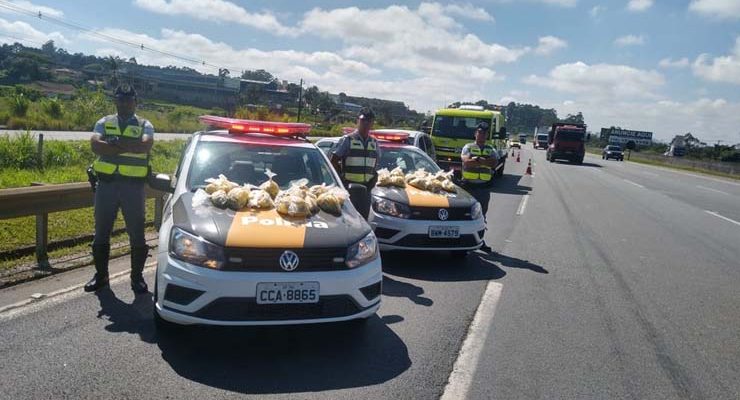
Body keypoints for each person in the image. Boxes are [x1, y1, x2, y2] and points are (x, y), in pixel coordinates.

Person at [84, 84, 154, 293]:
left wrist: (113, 143)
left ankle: (136, 278)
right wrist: (128, 144)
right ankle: (101, 276)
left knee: (137, 234)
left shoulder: (145, 124)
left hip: (133, 189)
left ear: (135, 101)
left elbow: (145, 145)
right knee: (101, 233)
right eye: (120, 99)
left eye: (128, 99)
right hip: (106, 185)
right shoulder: (104, 122)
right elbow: (96, 145)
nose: (124, 103)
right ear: (115, 100)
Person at [330, 107, 381, 216]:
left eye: (369, 121)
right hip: (350, 189)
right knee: (349, 220)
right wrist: (342, 179)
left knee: (364, 219)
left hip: (366, 189)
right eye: (363, 121)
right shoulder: (348, 140)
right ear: (358, 121)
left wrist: (373, 176)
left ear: (372, 123)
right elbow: (334, 160)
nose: (366, 124)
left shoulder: (374, 142)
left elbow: (376, 162)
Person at [460, 122, 498, 253]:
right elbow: (466, 161)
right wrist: (481, 161)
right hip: (468, 188)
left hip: (483, 188)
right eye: (479, 132)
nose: (482, 135)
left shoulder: (490, 148)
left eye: (484, 133)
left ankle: (480, 241)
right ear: (475, 133)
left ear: (487, 135)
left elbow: (494, 162)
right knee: (464, 215)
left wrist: (476, 160)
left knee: (481, 216)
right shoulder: (468, 147)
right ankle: (462, 240)